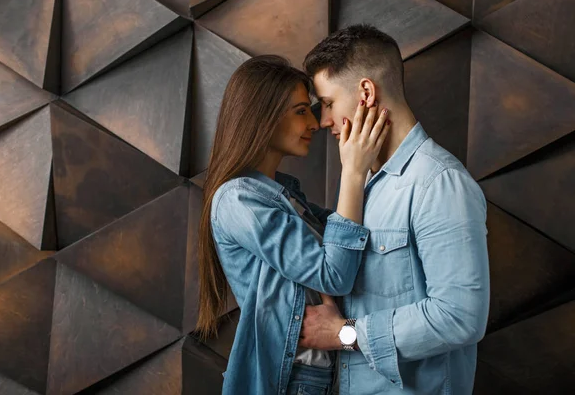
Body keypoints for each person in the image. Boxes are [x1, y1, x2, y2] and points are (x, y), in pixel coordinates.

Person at [298, 24, 490, 394]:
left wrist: (344, 334)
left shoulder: (438, 183)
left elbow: (460, 316)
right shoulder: (362, 184)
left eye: (328, 103)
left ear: (366, 92)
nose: (322, 121)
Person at [196, 55, 390, 394]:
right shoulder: (239, 201)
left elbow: (351, 236)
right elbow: (334, 273)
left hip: (324, 376)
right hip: (294, 382)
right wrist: (353, 171)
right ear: (262, 118)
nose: (315, 123)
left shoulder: (283, 196)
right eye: (301, 112)